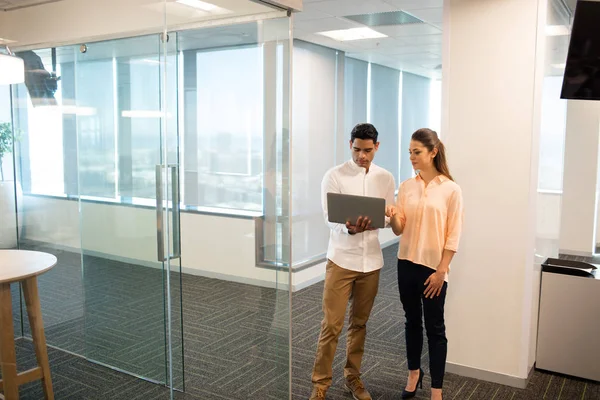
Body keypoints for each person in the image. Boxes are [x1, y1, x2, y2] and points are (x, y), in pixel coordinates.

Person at [310, 123, 396, 400]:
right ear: (350, 145)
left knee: (359, 324)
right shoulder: (334, 176)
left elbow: (387, 215)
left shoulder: (385, 178)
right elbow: (329, 217)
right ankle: (320, 385)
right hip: (341, 259)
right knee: (331, 325)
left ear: (377, 147)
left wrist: (377, 221)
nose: (362, 156)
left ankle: (353, 377)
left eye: (368, 150)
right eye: (358, 149)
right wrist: (349, 227)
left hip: (370, 262)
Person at [387, 128, 463, 400]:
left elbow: (453, 234)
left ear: (433, 152)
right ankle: (413, 374)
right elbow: (398, 229)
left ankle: (436, 390)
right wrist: (393, 215)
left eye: (416, 152)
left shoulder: (451, 189)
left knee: (435, 328)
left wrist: (441, 271)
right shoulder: (407, 186)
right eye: (409, 152)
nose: (411, 157)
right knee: (411, 322)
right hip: (405, 263)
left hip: (433, 269)